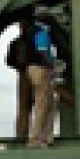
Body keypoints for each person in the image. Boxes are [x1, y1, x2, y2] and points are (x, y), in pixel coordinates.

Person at [27, 8, 58, 147]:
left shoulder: (35, 30)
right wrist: (52, 66)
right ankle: (35, 139)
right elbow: (43, 51)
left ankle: (45, 137)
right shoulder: (40, 31)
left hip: (38, 68)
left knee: (50, 103)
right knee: (42, 103)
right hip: (41, 69)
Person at [6, 20, 36, 140]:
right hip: (33, 73)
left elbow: (10, 61)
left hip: (24, 74)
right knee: (38, 105)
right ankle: (34, 135)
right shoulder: (36, 39)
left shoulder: (16, 42)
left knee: (24, 107)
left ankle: (22, 135)